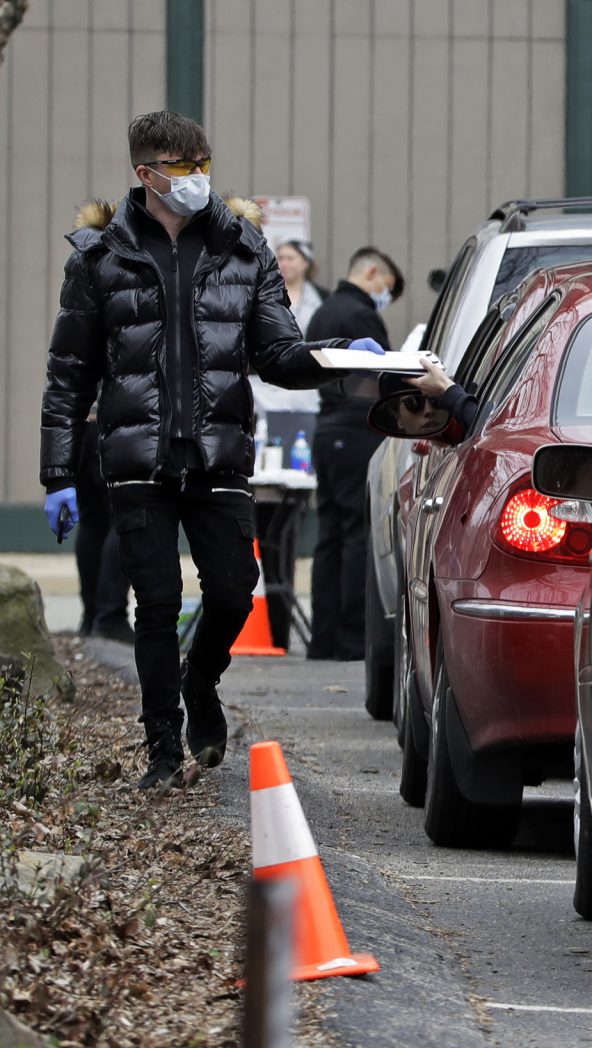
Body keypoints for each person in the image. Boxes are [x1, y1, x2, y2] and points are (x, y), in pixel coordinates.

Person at [39, 110, 381, 793]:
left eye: (204, 164)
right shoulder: (98, 259)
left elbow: (277, 352)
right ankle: (163, 747)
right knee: (156, 603)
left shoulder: (241, 248)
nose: (200, 179)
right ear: (146, 175)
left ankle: (203, 681)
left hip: (219, 453)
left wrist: (337, 357)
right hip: (137, 458)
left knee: (232, 591)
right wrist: (57, 473)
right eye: (184, 168)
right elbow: (69, 374)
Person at [305, 246, 404, 662]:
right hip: (356, 426)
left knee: (329, 536)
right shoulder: (361, 315)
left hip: (327, 429)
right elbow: (381, 377)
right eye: (388, 289)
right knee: (358, 535)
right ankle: (350, 638)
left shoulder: (324, 310)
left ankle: (322, 637)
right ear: (371, 272)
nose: (385, 297)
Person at [251, 236, 328, 649]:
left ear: (306, 264)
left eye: (292, 257)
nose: (285, 263)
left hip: (304, 407)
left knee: (289, 507)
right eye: (279, 257)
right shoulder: (261, 295)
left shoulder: (320, 302)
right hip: (265, 403)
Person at [72, 401, 133, 643]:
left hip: (78, 425)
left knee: (92, 518)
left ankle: (91, 617)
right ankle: (110, 616)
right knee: (122, 516)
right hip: (112, 423)